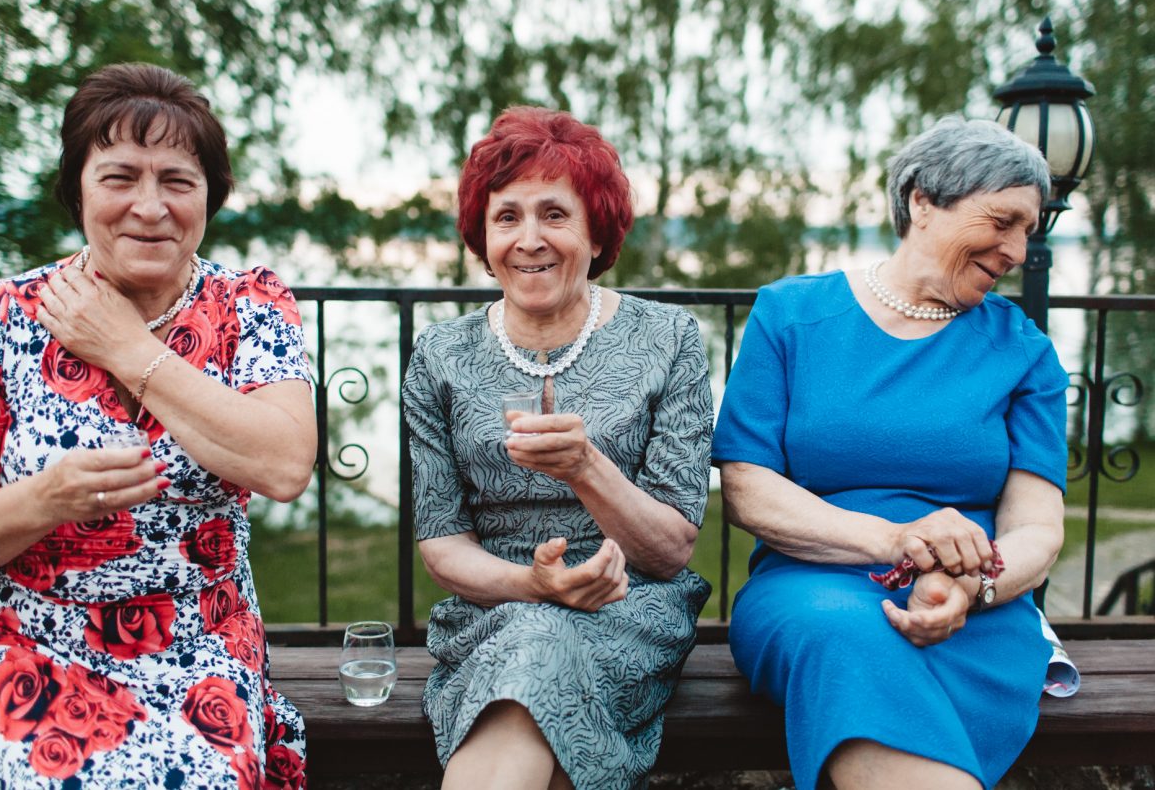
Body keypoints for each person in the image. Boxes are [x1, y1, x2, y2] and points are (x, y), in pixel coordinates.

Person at [0, 63, 315, 787]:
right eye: (120, 177)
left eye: (178, 181)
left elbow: (285, 465)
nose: (150, 207)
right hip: (28, 645)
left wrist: (127, 347)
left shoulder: (251, 306)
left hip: (199, 642)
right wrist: (45, 500)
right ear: (78, 190)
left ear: (210, 197)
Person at [713, 116, 1068, 790]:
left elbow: (1037, 528)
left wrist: (973, 588)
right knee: (845, 640)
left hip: (971, 611)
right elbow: (748, 491)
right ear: (921, 201)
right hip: (813, 589)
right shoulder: (791, 316)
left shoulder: (1025, 352)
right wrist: (897, 541)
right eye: (1003, 221)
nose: (1018, 251)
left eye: (1030, 230)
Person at [402, 106, 713, 790]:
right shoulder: (440, 355)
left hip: (628, 607)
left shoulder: (670, 339)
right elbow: (442, 543)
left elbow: (670, 551)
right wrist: (534, 585)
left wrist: (586, 468)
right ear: (483, 236)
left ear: (597, 230)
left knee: (539, 657)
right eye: (507, 217)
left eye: (554, 214)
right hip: (493, 610)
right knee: (532, 643)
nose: (529, 239)